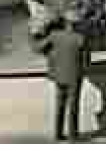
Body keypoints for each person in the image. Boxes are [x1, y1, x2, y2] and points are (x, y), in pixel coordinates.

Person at [37, 10, 90, 142]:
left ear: (65, 22)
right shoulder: (81, 39)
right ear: (76, 24)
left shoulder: (54, 36)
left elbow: (39, 48)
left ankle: (58, 134)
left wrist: (52, 57)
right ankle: (73, 136)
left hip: (58, 74)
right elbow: (87, 60)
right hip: (74, 75)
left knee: (59, 104)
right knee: (73, 106)